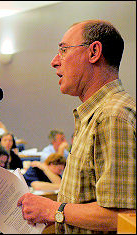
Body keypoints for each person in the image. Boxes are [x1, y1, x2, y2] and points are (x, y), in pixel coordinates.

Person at [18, 20, 136, 234]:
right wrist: (59, 217)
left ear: (94, 52)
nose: (54, 62)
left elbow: (121, 216)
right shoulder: (97, 114)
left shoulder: (112, 115)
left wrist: (54, 209)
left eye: (63, 50)